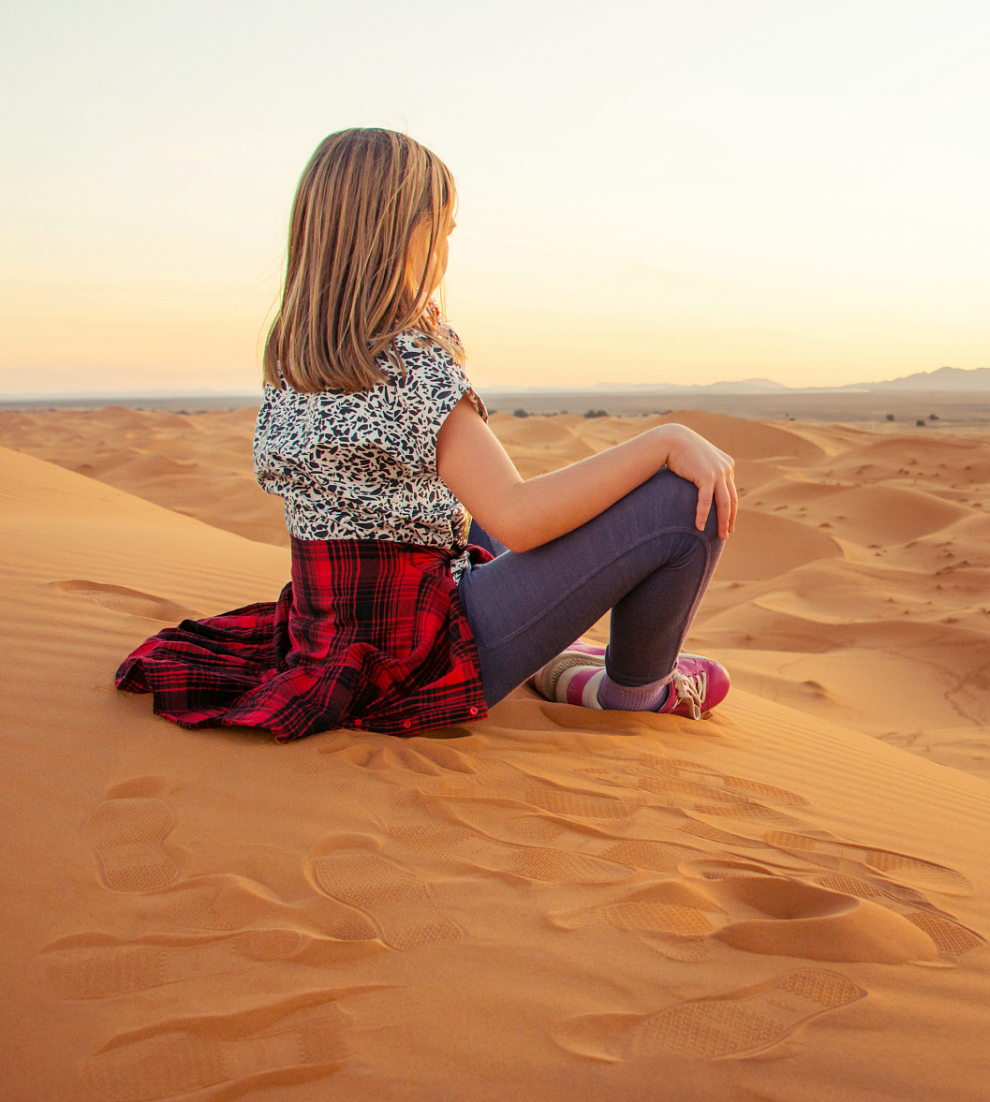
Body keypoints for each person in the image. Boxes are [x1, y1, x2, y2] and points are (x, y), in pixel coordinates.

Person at [116, 127, 736, 741]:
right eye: (440, 228)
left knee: (491, 512)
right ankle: (633, 692)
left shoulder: (298, 359)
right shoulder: (411, 366)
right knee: (685, 501)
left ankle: (553, 657)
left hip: (333, 635)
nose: (446, 245)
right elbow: (518, 518)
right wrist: (666, 440)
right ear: (400, 236)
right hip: (423, 657)